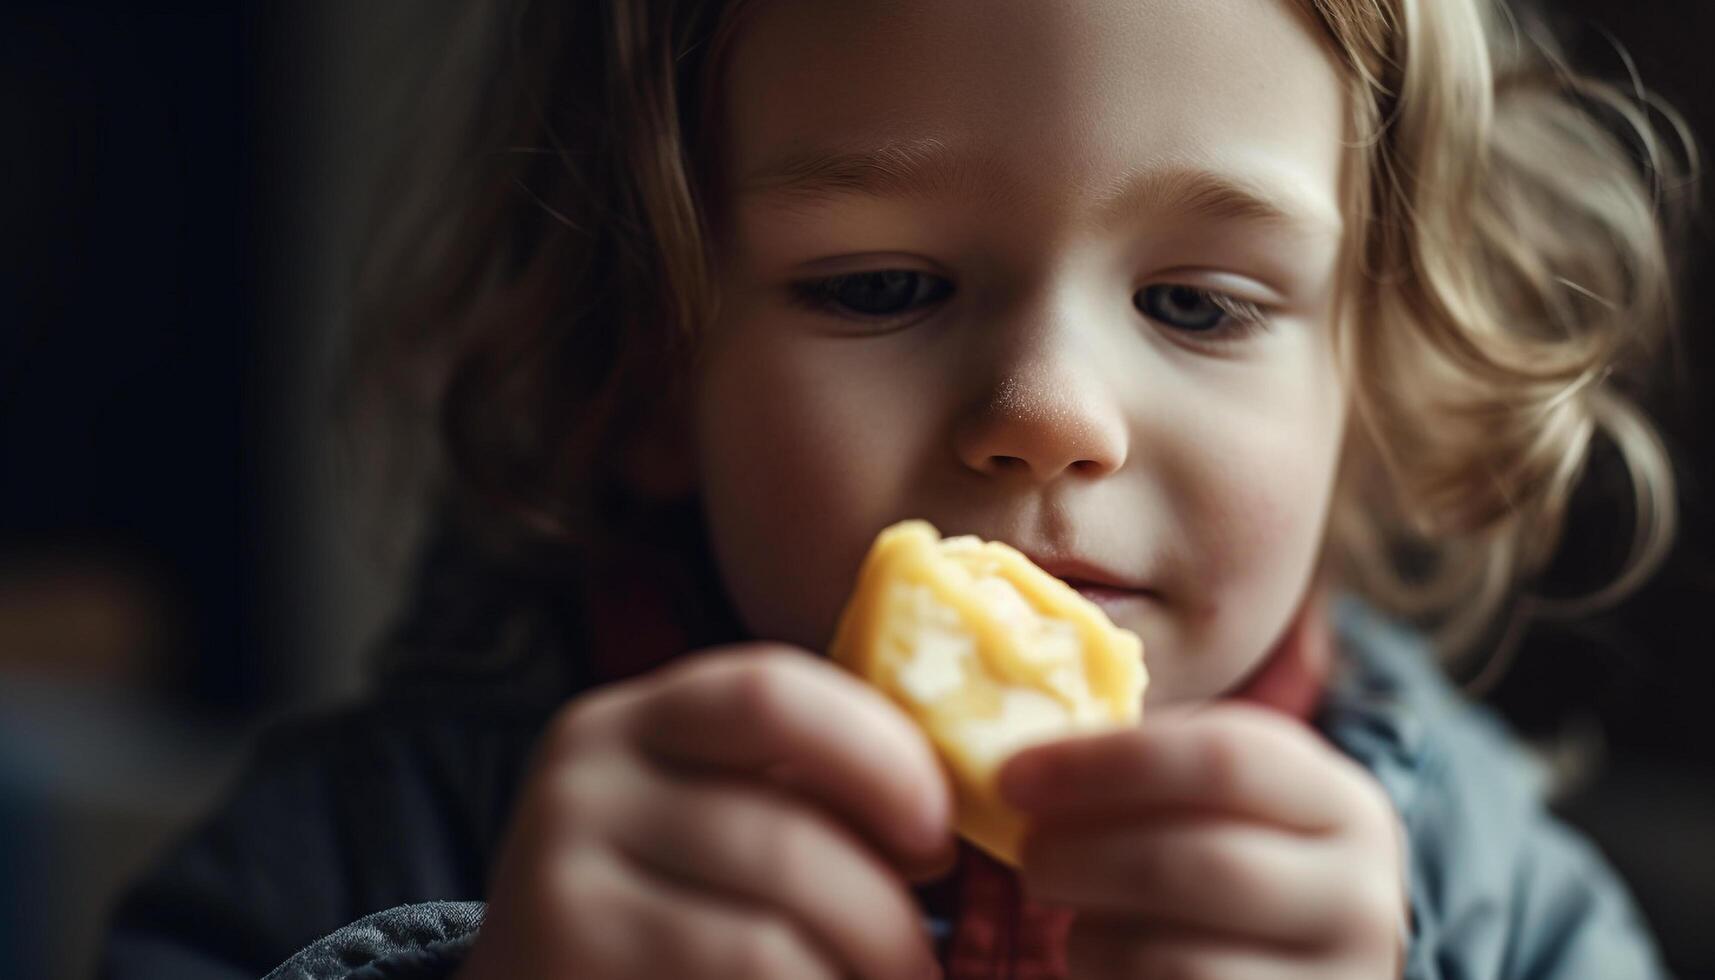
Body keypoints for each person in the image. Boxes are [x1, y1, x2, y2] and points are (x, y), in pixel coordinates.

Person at [103, 0, 1695, 977]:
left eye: (1199, 304)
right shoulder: (360, 852)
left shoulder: (1502, 908)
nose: (1051, 417)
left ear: (1367, 389)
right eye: (878, 288)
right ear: (648, 365)